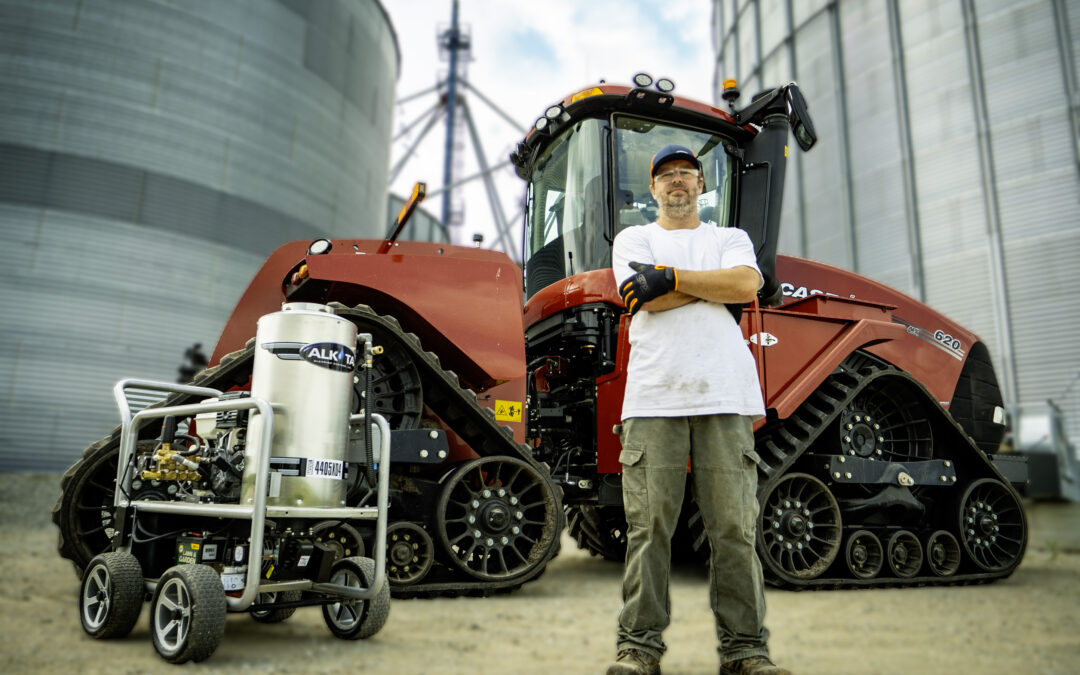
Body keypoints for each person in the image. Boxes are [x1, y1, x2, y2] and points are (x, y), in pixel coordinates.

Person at [605, 145, 791, 675]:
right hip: (654, 398)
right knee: (649, 529)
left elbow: (745, 285)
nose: (677, 182)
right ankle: (639, 647)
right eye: (666, 176)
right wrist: (704, 287)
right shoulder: (634, 238)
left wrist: (672, 278)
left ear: (701, 183)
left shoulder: (729, 238)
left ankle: (746, 651)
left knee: (733, 527)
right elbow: (641, 298)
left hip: (724, 395)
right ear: (654, 188)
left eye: (686, 172)